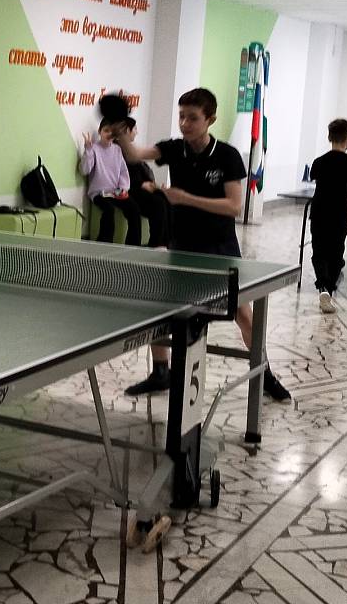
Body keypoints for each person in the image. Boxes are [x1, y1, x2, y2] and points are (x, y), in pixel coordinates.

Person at [121, 89, 289, 401]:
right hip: (181, 246)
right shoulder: (173, 149)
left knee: (244, 315)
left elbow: (234, 206)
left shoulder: (227, 156)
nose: (185, 123)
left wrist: (185, 198)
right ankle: (161, 371)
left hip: (219, 248)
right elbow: (135, 154)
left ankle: (264, 372)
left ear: (210, 119)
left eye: (193, 118)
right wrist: (120, 130)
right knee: (159, 309)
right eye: (181, 116)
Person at [308, 119, 347, 314]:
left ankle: (323, 288)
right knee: (336, 254)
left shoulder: (319, 162)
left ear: (329, 137)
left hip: (318, 213)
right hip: (340, 214)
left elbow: (316, 182)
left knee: (319, 252)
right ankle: (328, 289)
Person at [81, 120, 141, 245]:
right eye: (106, 131)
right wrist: (88, 150)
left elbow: (123, 171)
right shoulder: (94, 148)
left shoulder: (117, 149)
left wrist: (123, 188)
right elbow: (85, 170)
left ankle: (133, 245)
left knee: (134, 209)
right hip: (99, 193)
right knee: (109, 210)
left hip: (115, 192)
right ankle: (104, 244)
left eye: (112, 132)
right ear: (100, 131)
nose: (109, 134)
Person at [114, 117, 169, 248]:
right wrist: (141, 184)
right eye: (135, 129)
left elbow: (141, 171)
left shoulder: (131, 150)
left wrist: (153, 184)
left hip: (138, 186)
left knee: (166, 198)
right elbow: (119, 176)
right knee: (158, 203)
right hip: (125, 189)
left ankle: (165, 243)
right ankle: (155, 243)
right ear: (127, 130)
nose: (137, 132)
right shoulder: (116, 150)